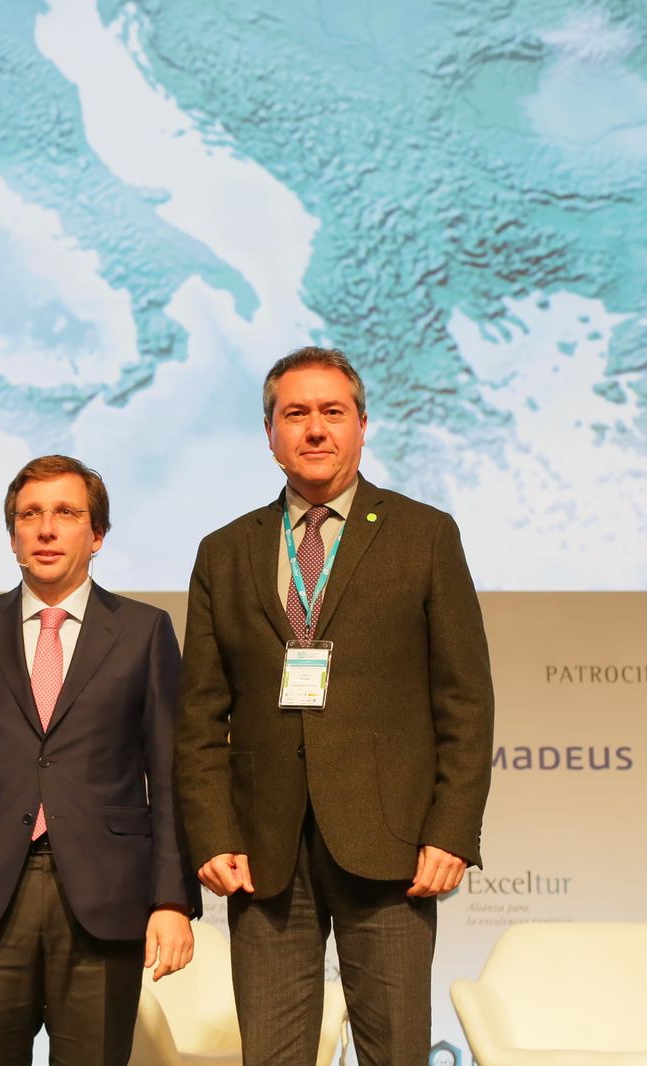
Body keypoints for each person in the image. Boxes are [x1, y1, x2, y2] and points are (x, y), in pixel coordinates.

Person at [174, 347, 494, 1065]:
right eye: (296, 414)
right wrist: (211, 833)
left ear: (361, 426)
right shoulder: (224, 551)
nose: (314, 429)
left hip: (394, 846)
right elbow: (199, 715)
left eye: (331, 413)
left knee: (395, 1053)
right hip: (264, 850)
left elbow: (466, 700)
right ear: (270, 435)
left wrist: (451, 831)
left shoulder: (425, 535)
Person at [0, 455, 199, 1066]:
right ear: (11, 534)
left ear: (97, 536)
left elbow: (170, 775)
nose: (45, 529)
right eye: (29, 515)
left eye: (65, 513)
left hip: (106, 898)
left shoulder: (145, 631)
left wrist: (171, 899)